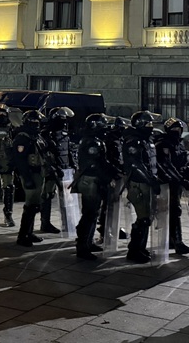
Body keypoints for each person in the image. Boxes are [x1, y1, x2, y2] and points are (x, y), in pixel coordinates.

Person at [72, 113, 116, 260]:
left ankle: (88, 242)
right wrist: (108, 176)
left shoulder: (93, 140)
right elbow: (95, 164)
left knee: (92, 213)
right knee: (89, 214)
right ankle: (83, 246)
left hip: (92, 179)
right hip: (91, 180)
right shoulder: (92, 142)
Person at [122, 110, 160, 263]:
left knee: (147, 218)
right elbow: (136, 165)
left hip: (147, 183)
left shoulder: (146, 140)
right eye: (147, 124)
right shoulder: (133, 141)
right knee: (143, 219)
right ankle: (134, 250)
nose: (150, 127)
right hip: (139, 183)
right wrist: (151, 181)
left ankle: (140, 248)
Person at [155, 117, 189, 255]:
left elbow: (184, 161)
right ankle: (176, 241)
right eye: (174, 129)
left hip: (177, 182)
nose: (177, 131)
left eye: (179, 129)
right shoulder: (163, 144)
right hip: (167, 183)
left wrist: (187, 174)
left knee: (175, 211)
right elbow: (166, 165)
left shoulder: (179, 144)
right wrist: (179, 178)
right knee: (171, 211)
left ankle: (173, 240)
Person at [10, 109, 48, 247]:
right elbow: (20, 161)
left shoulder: (36, 136)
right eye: (35, 121)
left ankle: (29, 233)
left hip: (38, 173)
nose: (37, 124)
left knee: (35, 204)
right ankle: (22, 235)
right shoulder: (23, 138)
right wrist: (27, 178)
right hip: (30, 174)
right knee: (30, 205)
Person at [40, 106, 77, 234]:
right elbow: (46, 155)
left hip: (66, 171)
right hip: (51, 171)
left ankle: (69, 224)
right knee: (47, 196)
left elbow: (68, 151)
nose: (64, 122)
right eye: (62, 120)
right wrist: (54, 169)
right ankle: (45, 223)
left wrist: (73, 166)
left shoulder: (64, 133)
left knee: (67, 198)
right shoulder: (46, 134)